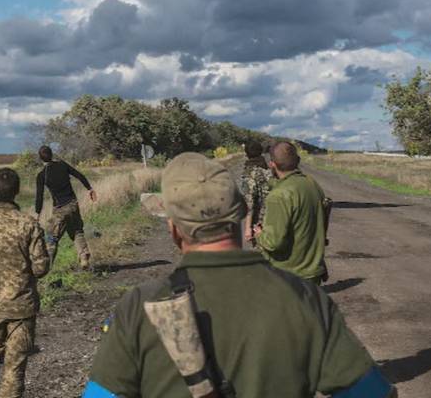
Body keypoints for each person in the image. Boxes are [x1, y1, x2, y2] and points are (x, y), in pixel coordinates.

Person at [82, 152, 396, 398]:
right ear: (242, 212)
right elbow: (374, 393)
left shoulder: (139, 309)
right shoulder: (305, 298)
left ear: (173, 228)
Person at [0, 168, 51, 398]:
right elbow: (41, 268)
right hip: (22, 307)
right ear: (16, 191)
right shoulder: (28, 224)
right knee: (14, 369)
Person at [254, 141, 330, 284]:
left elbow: (272, 243)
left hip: (288, 274)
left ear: (272, 164)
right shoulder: (312, 184)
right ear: (298, 161)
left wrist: (259, 234)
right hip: (313, 272)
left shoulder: (278, 196)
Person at [34, 145, 97, 270]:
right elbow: (79, 175)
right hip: (73, 204)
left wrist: (37, 213)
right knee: (77, 231)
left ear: (41, 158)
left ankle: (46, 267)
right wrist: (89, 188)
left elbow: (39, 196)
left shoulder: (42, 175)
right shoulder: (62, 165)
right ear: (52, 155)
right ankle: (84, 257)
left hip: (60, 209)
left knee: (52, 236)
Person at [239, 139, 272, 244]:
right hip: (276, 215)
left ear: (247, 154)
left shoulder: (250, 173)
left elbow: (249, 203)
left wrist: (248, 228)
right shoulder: (269, 170)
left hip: (261, 221)